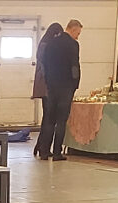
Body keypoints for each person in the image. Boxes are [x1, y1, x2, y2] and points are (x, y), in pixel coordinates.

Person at [36, 19, 82, 161]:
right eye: (78, 33)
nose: (77, 37)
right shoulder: (73, 44)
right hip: (66, 87)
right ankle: (57, 152)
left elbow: (44, 65)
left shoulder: (50, 43)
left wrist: (48, 82)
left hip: (51, 86)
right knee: (61, 121)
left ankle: (44, 152)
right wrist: (75, 84)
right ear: (73, 29)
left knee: (49, 119)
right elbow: (74, 66)